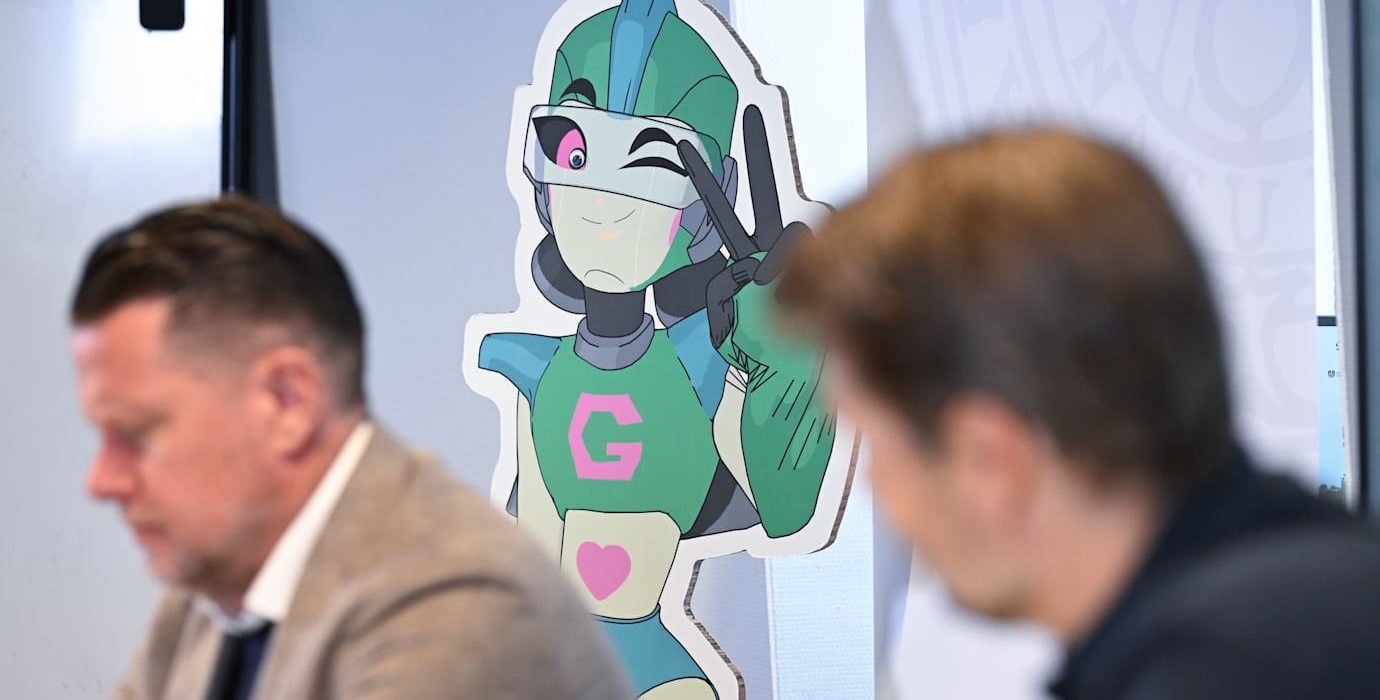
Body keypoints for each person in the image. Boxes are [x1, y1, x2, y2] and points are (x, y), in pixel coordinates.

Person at [777, 128, 1380, 699]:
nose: (872, 484)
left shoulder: (1221, 674)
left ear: (991, 459)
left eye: (873, 443)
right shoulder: (1317, 594)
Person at [70, 197, 633, 700]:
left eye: (136, 434)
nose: (102, 481)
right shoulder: (213, 582)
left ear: (287, 402)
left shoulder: (452, 600)